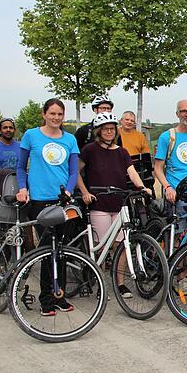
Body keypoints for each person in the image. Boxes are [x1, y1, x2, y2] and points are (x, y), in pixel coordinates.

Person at [76, 113, 152, 298]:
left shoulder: (122, 152)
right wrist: (85, 192)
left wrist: (142, 187)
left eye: (112, 129)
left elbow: (131, 172)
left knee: (122, 246)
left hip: (119, 203)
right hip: (98, 203)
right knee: (101, 247)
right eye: (105, 129)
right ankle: (100, 283)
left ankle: (120, 284)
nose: (109, 132)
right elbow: (76, 172)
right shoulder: (89, 150)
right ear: (99, 131)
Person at [16, 98, 79, 315]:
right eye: (52, 113)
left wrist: (69, 190)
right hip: (39, 200)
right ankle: (46, 299)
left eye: (59, 114)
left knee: (60, 250)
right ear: (44, 114)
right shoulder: (31, 136)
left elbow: (73, 171)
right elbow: (20, 166)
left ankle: (58, 295)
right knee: (47, 250)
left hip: (61, 200)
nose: (56, 118)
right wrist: (23, 187)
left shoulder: (69, 139)